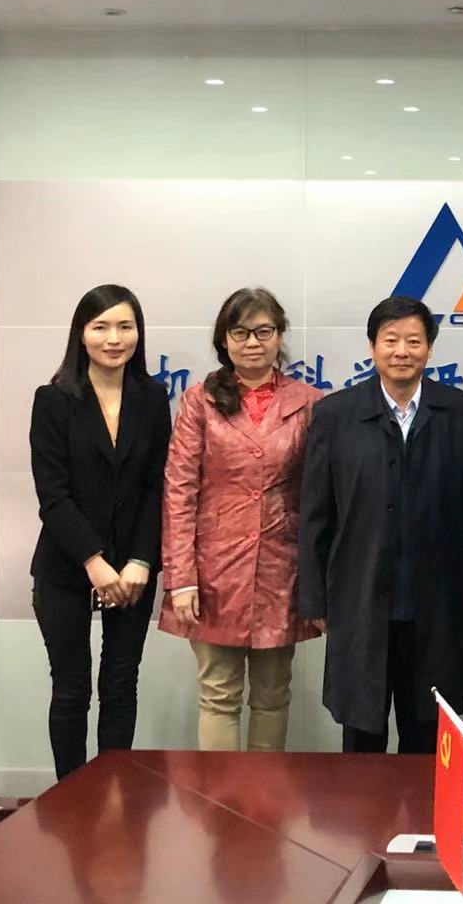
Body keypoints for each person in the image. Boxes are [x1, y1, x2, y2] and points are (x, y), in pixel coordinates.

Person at [298, 296, 463, 753]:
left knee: (428, 736)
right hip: (359, 598)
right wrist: (316, 596)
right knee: (362, 737)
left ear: (430, 348)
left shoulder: (459, 411)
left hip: (435, 602)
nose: (402, 351)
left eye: (414, 341)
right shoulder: (336, 414)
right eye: (391, 340)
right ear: (372, 346)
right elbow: (316, 512)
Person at [159, 287, 324, 752]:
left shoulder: (310, 402)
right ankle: (220, 798)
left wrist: (318, 580)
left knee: (273, 695)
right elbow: (179, 490)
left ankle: (263, 796)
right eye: (240, 332)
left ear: (280, 336)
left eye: (264, 331)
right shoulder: (200, 401)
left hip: (281, 568)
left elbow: (320, 496)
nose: (253, 342)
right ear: (224, 340)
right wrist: (181, 578)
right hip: (212, 569)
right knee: (219, 694)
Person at [29, 284, 171, 779]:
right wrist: (93, 561)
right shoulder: (53, 400)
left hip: (133, 569)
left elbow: (158, 486)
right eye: (101, 327)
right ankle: (72, 797)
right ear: (81, 334)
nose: (114, 338)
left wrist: (141, 560)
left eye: (125, 326)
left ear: (138, 333)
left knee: (120, 685)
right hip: (67, 567)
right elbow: (53, 496)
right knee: (71, 690)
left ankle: (114, 793)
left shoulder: (152, 398)